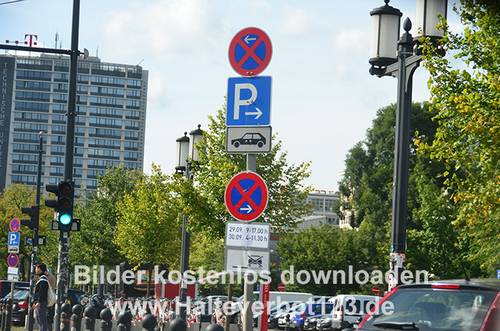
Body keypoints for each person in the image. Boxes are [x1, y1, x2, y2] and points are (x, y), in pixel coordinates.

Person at [33, 263, 49, 331]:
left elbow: (42, 292)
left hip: (41, 303)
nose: (35, 270)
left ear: (39, 269)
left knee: (42, 321)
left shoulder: (43, 280)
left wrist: (38, 302)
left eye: (36, 268)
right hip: (40, 302)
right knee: (39, 320)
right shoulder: (41, 279)